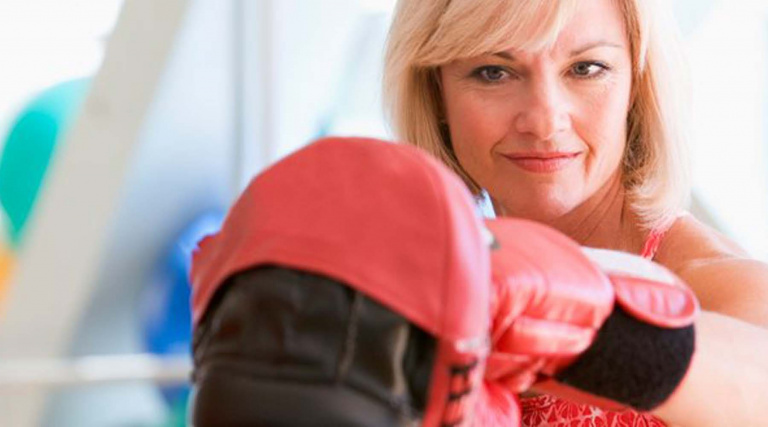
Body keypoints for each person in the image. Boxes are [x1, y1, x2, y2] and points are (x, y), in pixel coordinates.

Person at [383, 0, 768, 425]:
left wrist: (586, 328)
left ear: (636, 86)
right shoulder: (417, 298)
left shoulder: (727, 291)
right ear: (436, 95)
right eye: (494, 72)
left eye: (586, 68)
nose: (545, 121)